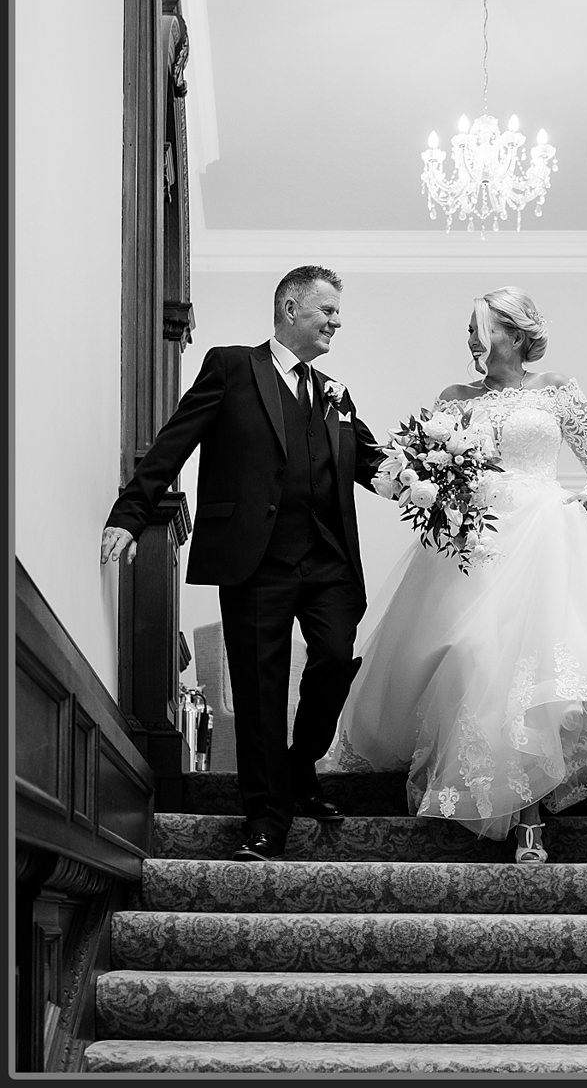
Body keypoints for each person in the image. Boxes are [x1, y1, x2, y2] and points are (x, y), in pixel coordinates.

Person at [323, 287, 587, 863]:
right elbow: (429, 464)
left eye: (481, 327)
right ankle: (485, 789)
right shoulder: (454, 398)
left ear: (517, 334)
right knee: (476, 655)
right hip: (477, 542)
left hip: (549, 538)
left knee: (534, 672)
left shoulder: (557, 390)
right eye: (469, 329)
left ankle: (528, 818)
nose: (471, 338)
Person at [103, 265, 388, 861]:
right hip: (256, 560)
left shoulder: (335, 392)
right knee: (259, 692)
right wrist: (131, 513)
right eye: (327, 311)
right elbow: (175, 440)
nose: (338, 321)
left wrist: (440, 486)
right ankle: (265, 817)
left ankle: (299, 765)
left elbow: (373, 466)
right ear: (290, 310)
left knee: (335, 658)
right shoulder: (232, 367)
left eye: (338, 312)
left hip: (329, 558)